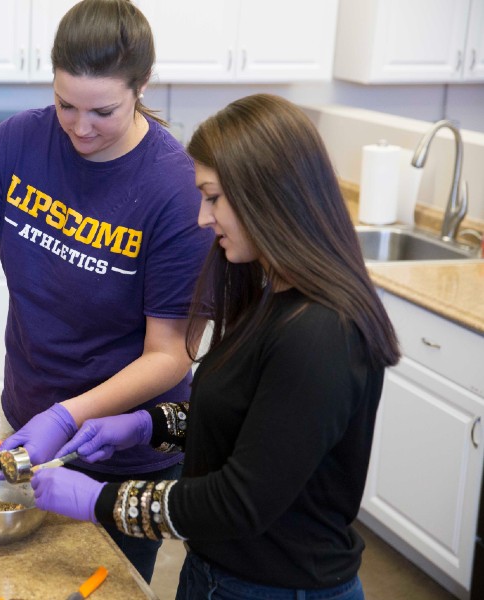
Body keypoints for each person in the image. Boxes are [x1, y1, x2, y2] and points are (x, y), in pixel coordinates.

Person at [30, 93, 401, 600]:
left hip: (277, 588)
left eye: (213, 197)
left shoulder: (321, 334)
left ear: (267, 195)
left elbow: (239, 501)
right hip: (216, 575)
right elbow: (248, 420)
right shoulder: (274, 295)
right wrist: (148, 425)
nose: (204, 219)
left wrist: (101, 500)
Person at [0, 0, 213, 582]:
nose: (80, 127)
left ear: (142, 87)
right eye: (65, 105)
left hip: (123, 457)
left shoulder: (175, 188)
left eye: (102, 111)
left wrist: (69, 415)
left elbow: (170, 353)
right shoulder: (16, 144)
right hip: (22, 429)